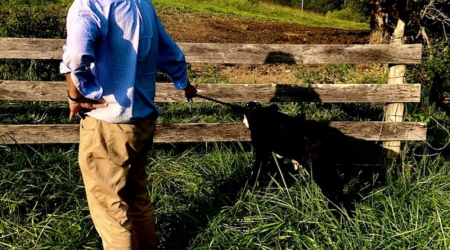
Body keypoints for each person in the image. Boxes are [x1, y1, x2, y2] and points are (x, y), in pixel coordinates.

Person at [60, 0, 197, 249]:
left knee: (111, 212)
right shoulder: (142, 4)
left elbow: (76, 55)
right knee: (137, 200)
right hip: (141, 122)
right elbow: (171, 52)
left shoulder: (88, 5)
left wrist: (79, 95)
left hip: (107, 125)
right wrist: (183, 82)